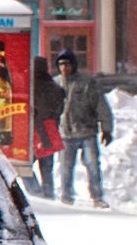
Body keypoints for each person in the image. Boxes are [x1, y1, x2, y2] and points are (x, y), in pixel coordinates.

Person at [53, 49, 114, 208]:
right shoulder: (55, 84)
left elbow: (101, 106)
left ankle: (97, 197)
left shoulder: (87, 83)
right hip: (65, 133)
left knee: (93, 165)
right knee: (65, 168)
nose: (64, 68)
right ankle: (66, 197)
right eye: (61, 64)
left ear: (73, 65)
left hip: (87, 132)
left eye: (67, 64)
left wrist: (106, 129)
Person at [29, 54, 65, 198]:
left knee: (23, 166)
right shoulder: (55, 87)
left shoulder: (29, 85)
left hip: (33, 130)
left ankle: (36, 192)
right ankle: (48, 195)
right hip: (50, 129)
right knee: (47, 168)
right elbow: (60, 109)